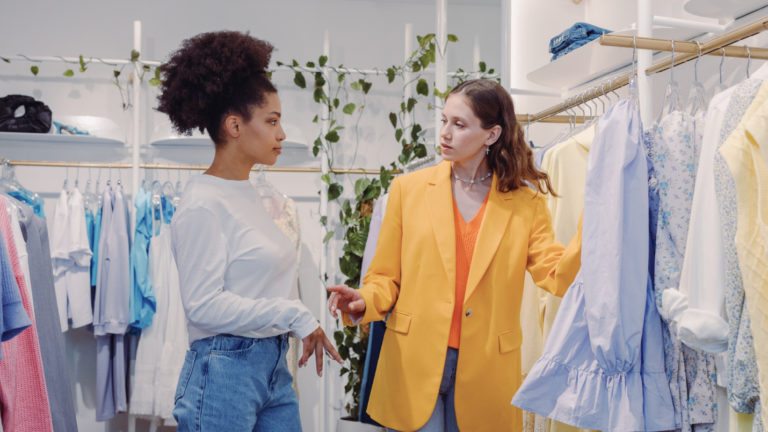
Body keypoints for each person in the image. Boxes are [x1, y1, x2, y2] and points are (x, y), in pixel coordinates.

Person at [328, 79, 582, 432]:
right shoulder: (407, 190)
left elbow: (555, 276)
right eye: (444, 120)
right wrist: (362, 301)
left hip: (488, 371)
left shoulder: (527, 204)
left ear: (491, 135)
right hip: (413, 364)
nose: (445, 133)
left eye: (459, 125)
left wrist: (594, 225)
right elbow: (384, 278)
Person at [157, 31, 342, 431]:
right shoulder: (202, 201)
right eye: (272, 121)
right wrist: (293, 313)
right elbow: (203, 305)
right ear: (235, 125)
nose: (282, 134)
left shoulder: (247, 194)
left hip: (271, 366)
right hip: (223, 371)